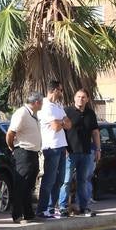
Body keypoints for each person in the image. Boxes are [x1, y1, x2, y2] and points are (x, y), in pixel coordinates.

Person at [5, 93, 43, 223]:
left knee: (29, 185)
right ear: (36, 102)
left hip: (33, 153)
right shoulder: (22, 113)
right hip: (23, 152)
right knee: (21, 184)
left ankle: (28, 214)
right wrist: (13, 148)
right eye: (41, 102)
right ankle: (17, 215)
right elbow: (10, 133)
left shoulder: (33, 114)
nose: (42, 105)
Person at [36, 81, 71, 219]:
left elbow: (69, 124)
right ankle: (42, 209)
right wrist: (61, 122)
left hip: (62, 146)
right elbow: (56, 127)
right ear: (55, 90)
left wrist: (60, 122)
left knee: (60, 179)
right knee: (49, 179)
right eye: (60, 90)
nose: (62, 93)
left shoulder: (58, 105)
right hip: (51, 147)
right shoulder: (45, 106)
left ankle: (51, 208)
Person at [64, 89, 101, 217]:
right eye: (78, 96)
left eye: (83, 97)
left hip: (86, 152)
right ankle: (63, 207)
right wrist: (64, 148)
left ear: (87, 99)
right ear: (74, 98)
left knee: (83, 180)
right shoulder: (67, 112)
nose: (81, 99)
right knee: (66, 181)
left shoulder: (90, 113)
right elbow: (61, 131)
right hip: (70, 152)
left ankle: (83, 207)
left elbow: (95, 132)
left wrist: (98, 149)